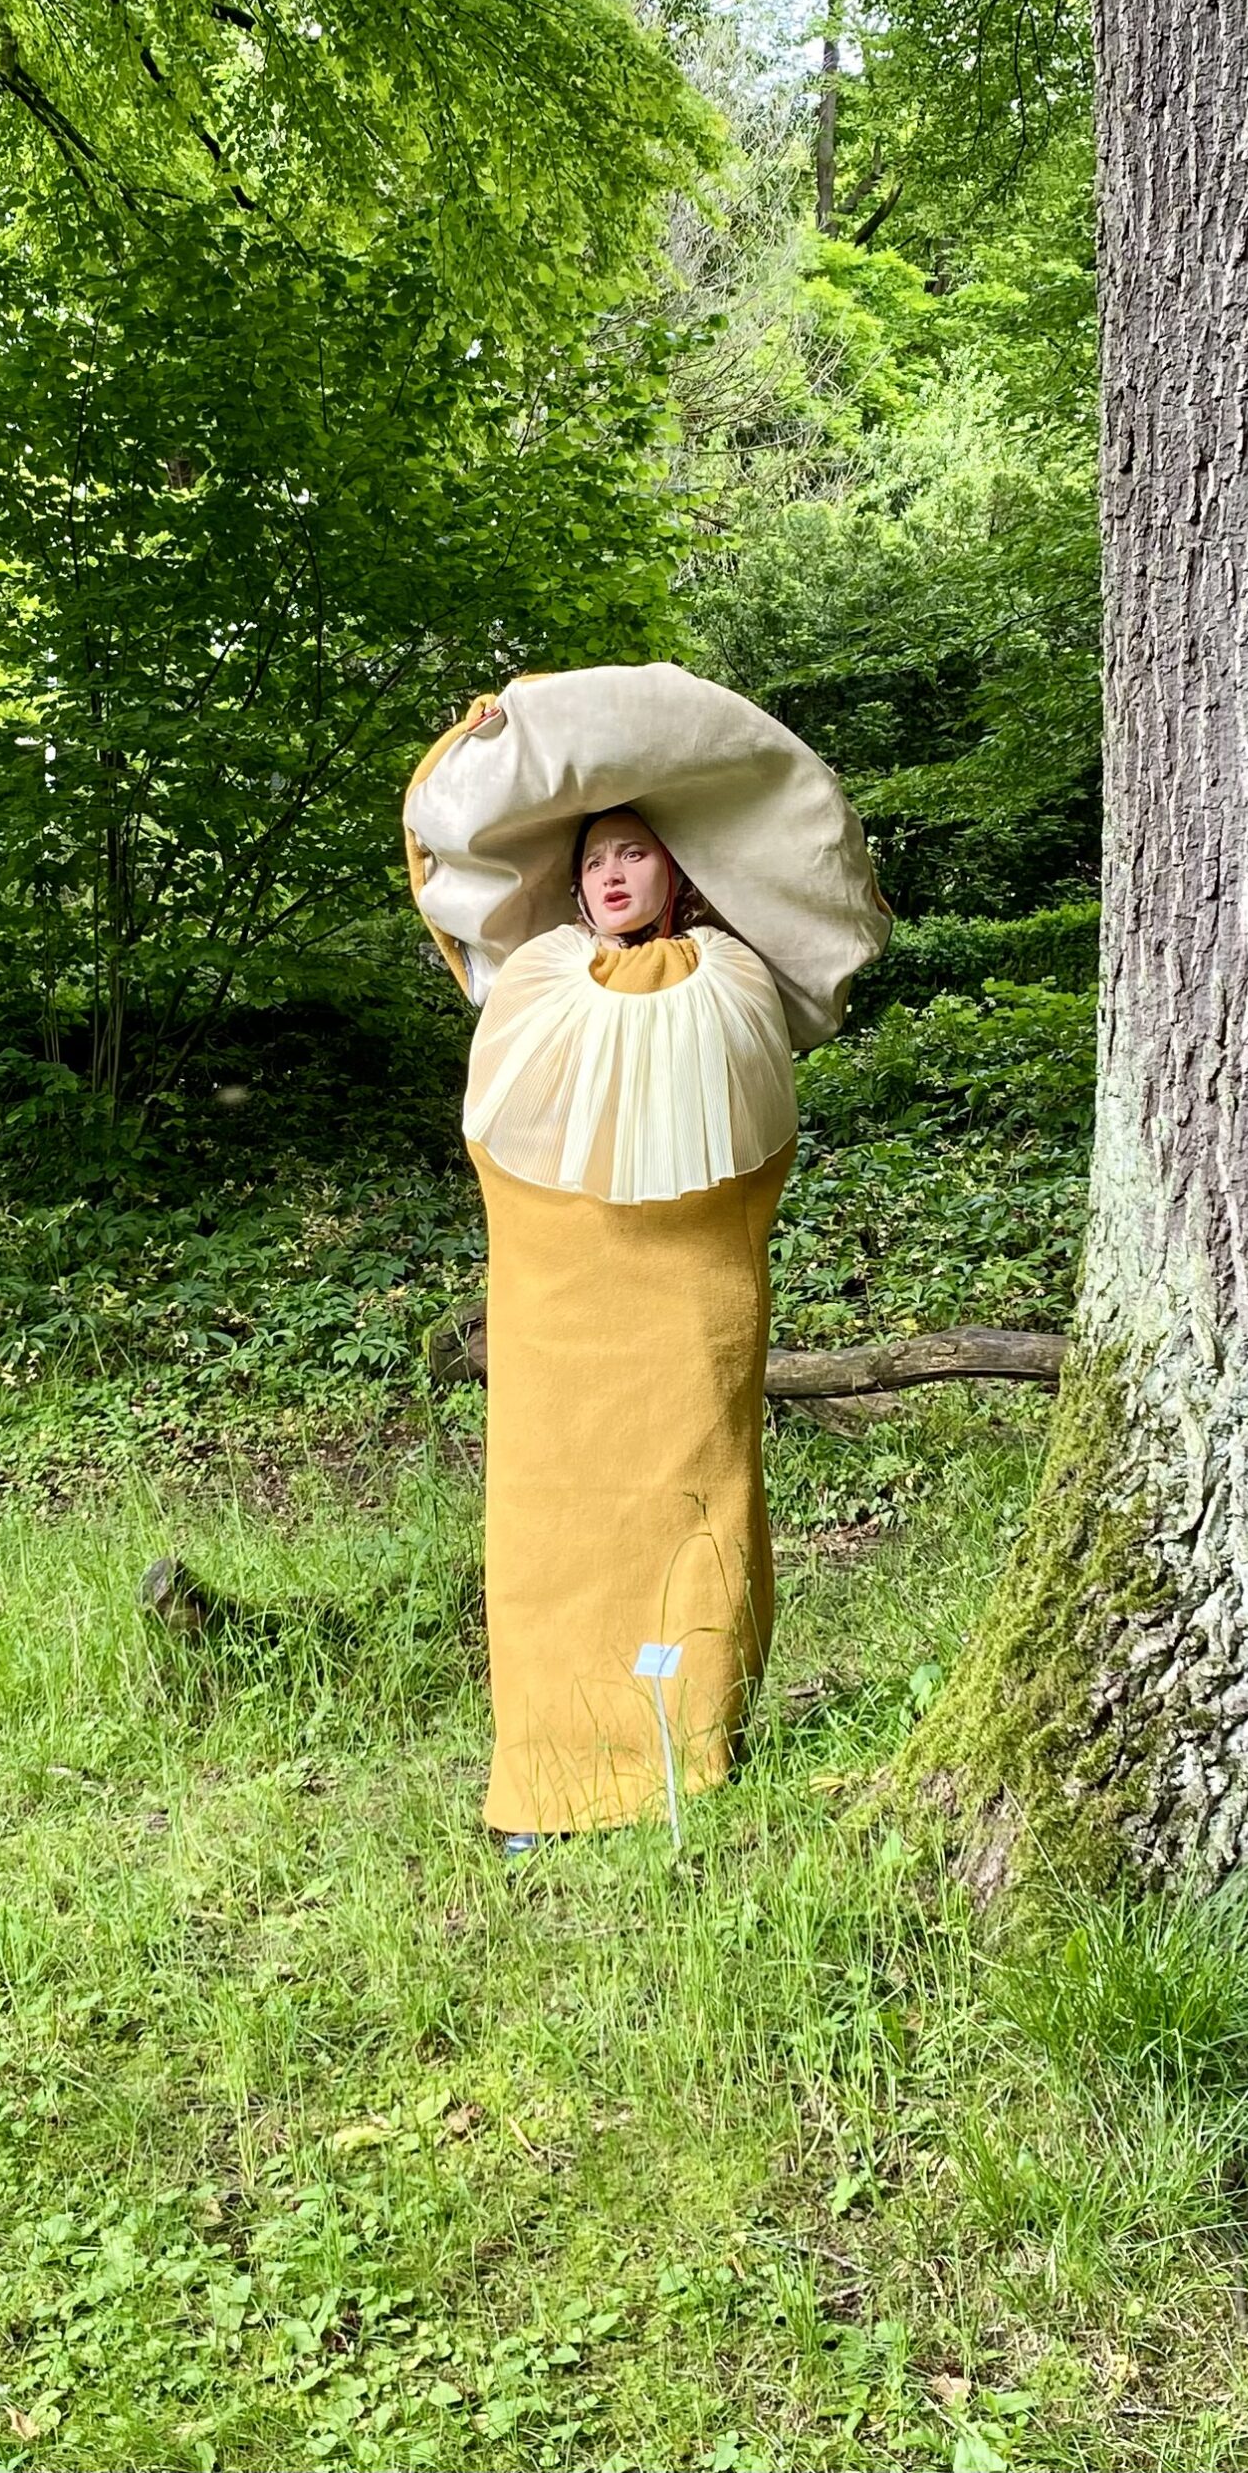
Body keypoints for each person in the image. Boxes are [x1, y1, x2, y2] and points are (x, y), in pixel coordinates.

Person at [403, 663, 889, 1851]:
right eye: (588, 859)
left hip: (687, 1312)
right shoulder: (529, 987)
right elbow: (503, 1147)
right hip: (554, 1314)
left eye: (630, 851)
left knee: (690, 1498)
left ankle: (688, 1744)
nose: (607, 873)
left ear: (678, 865)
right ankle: (551, 1773)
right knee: (551, 1517)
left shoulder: (731, 982)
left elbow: (738, 1158)